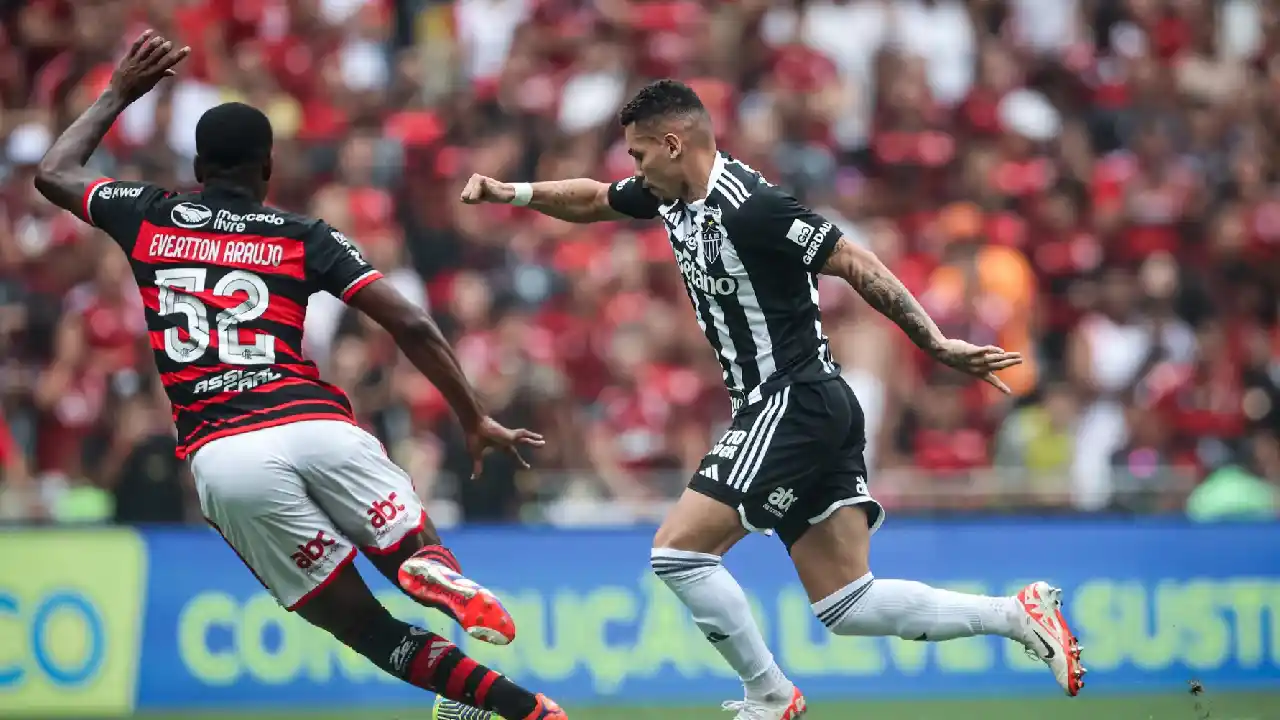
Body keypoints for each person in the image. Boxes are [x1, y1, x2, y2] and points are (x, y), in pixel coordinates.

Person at [461, 79, 1086, 717]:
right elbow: (595, 201)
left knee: (677, 551)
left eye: (639, 155)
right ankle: (1016, 615)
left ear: (673, 144)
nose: (633, 169)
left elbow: (853, 260)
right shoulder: (671, 197)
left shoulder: (751, 206)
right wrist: (512, 192)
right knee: (848, 604)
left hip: (791, 399)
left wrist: (936, 343)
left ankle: (768, 694)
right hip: (811, 404)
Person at [33, 31, 566, 720]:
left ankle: (525, 712)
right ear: (268, 167)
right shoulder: (300, 234)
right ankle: (423, 568)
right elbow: (412, 325)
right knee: (408, 553)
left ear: (197, 165)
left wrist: (118, 92)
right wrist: (472, 416)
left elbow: (54, 172)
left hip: (225, 453)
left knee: (366, 628)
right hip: (316, 425)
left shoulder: (148, 215)